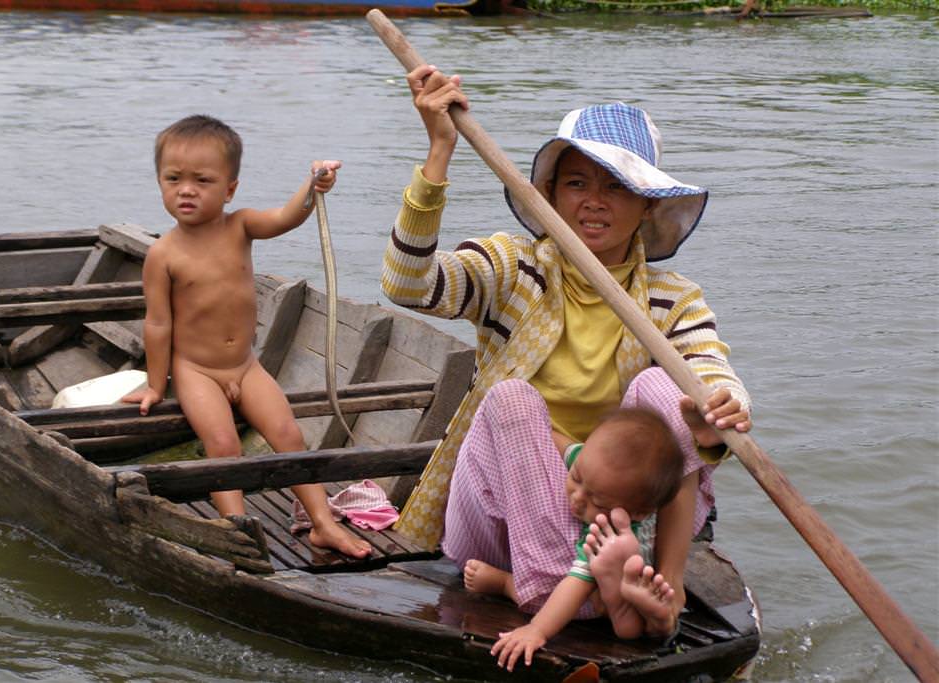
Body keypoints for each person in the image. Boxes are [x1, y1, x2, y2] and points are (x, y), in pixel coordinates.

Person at [381, 65, 753, 648]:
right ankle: (556, 589)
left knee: (670, 393)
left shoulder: (672, 296)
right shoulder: (512, 267)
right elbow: (408, 285)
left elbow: (709, 365)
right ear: (549, 195)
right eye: (577, 184)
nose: (594, 204)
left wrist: (721, 405)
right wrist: (438, 152)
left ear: (648, 206)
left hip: (615, 521)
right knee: (510, 399)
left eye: (616, 187)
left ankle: (668, 585)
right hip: (503, 522)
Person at [123, 114, 371, 559]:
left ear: (230, 189)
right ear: (160, 182)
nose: (186, 190)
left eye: (202, 180)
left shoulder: (240, 226)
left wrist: (312, 185)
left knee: (287, 433)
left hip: (245, 364)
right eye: (173, 178)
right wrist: (156, 384)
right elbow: (158, 323)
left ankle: (323, 524)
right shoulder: (163, 253)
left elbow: (286, 217)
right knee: (223, 444)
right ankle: (236, 529)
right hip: (195, 370)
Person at [461, 401, 686, 672]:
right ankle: (642, 610)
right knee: (629, 627)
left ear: (639, 513)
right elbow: (559, 445)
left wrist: (536, 630)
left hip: (607, 566)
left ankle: (506, 583)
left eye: (597, 502)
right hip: (637, 573)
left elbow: (575, 583)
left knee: (585, 573)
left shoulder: (606, 533)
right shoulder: (604, 473)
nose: (578, 499)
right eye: (576, 477)